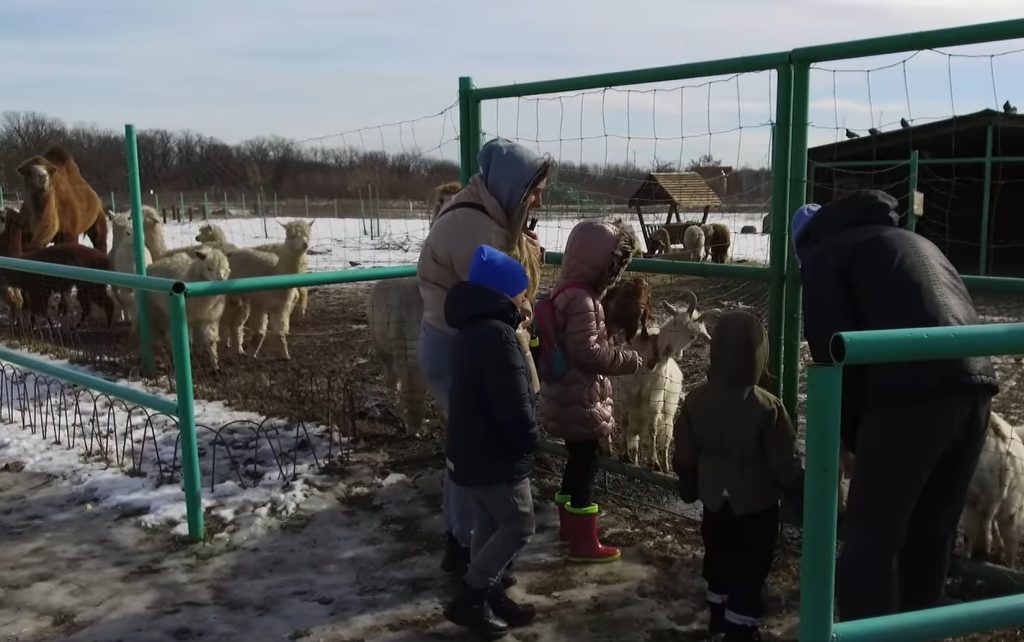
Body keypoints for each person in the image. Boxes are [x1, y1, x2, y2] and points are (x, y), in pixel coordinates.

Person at [793, 189, 999, 620]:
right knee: (931, 532)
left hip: (909, 393)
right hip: (977, 383)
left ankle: (864, 629)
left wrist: (848, 440)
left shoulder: (824, 255)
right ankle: (915, 625)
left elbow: (833, 355)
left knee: (870, 542)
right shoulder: (909, 241)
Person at [417, 138, 549, 580]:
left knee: (468, 449)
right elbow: (506, 296)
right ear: (514, 184)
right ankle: (466, 546)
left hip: (463, 345)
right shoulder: (474, 227)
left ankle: (472, 544)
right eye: (534, 188)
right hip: (457, 348)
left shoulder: (489, 217)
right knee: (470, 454)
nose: (539, 197)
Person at [673, 310, 803, 642]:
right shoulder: (768, 407)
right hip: (756, 505)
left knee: (717, 558)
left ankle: (718, 618)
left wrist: (688, 479)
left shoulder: (696, 399)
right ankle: (741, 630)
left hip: (714, 500)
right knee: (750, 568)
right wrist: (797, 492)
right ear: (759, 355)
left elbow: (686, 451)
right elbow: (783, 462)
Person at [441, 244, 540, 636]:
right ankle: (471, 594)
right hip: (497, 454)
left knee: (487, 521)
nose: (525, 300)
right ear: (503, 293)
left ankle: (490, 594)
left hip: (471, 451)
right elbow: (513, 402)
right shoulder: (499, 338)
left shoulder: (469, 330)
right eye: (521, 291)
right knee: (519, 525)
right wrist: (529, 436)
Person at [541, 219, 642, 563]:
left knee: (576, 463)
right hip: (581, 400)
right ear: (602, 264)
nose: (614, 276)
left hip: (567, 396)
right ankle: (584, 541)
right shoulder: (584, 301)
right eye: (614, 268)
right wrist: (627, 359)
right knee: (586, 465)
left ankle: (570, 528)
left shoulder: (565, 291)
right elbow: (587, 353)